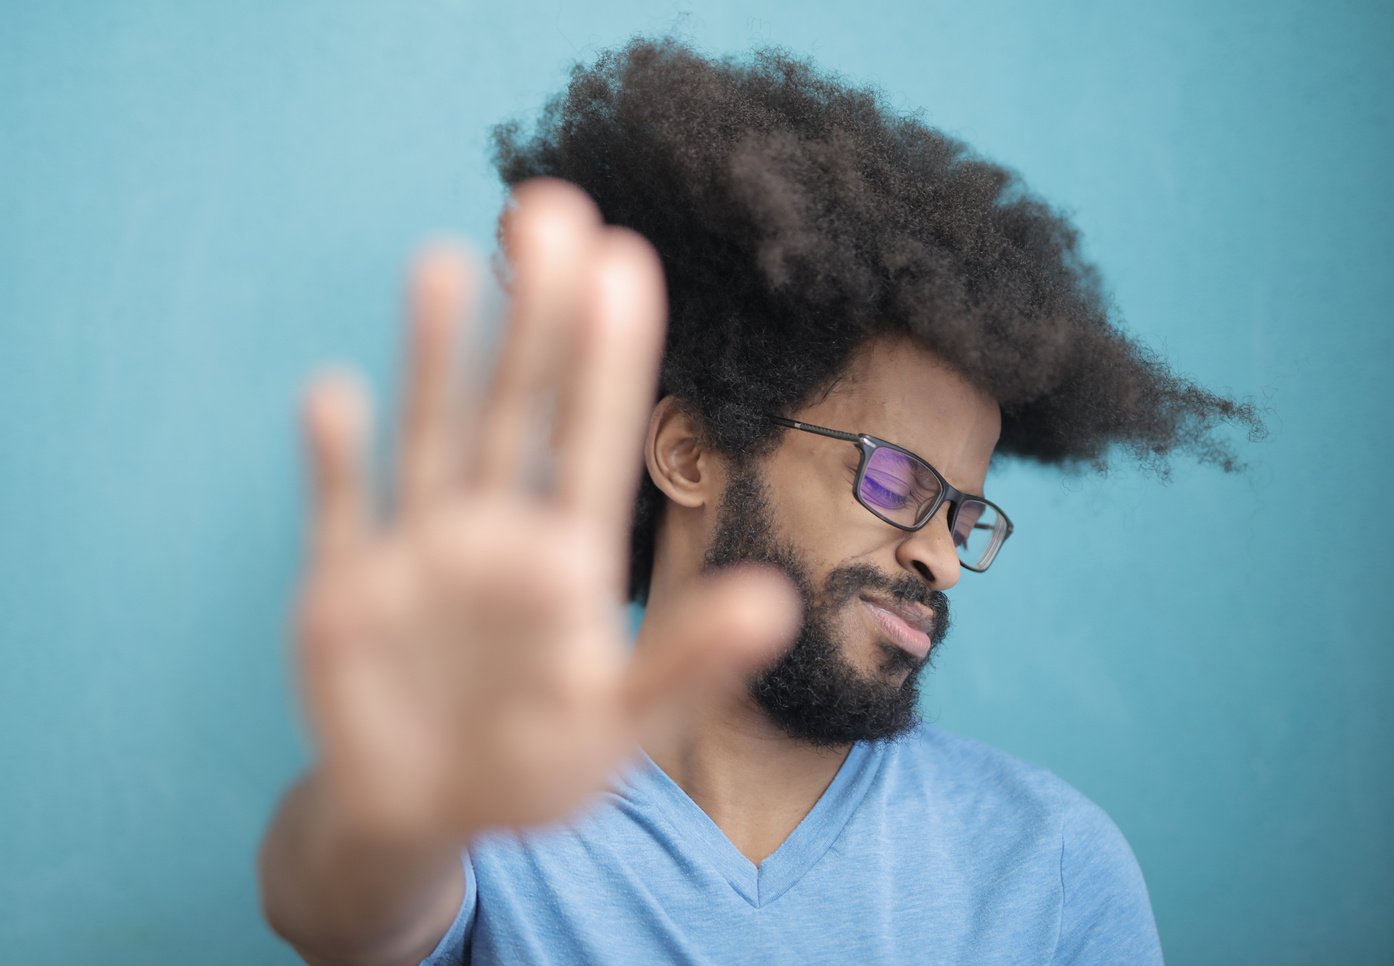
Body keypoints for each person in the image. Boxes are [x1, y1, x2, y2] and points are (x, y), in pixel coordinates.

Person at [258, 38, 1260, 965]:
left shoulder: (1047, 867)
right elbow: (338, 909)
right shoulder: (496, 794)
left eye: (959, 513)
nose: (940, 561)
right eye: (897, 478)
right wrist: (391, 807)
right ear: (691, 452)